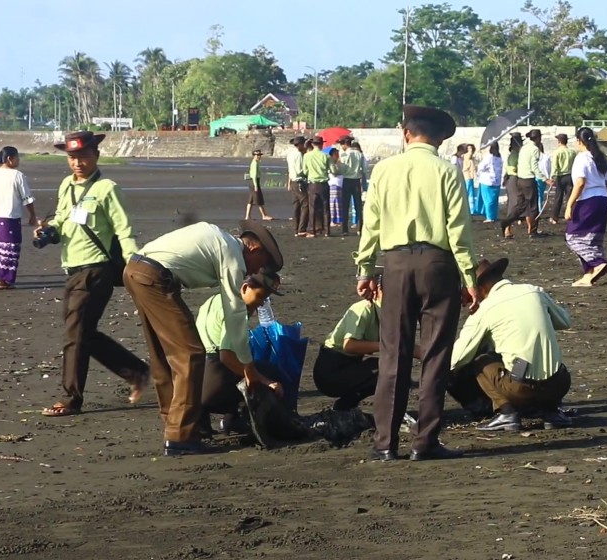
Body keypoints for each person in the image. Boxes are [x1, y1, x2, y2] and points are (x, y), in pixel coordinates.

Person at [354, 104, 479, 462]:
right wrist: (470, 277)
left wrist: (365, 270)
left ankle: (385, 443)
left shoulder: (383, 170)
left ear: (406, 133)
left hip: (395, 265)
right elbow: (459, 230)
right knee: (436, 355)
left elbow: (371, 225)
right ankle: (425, 441)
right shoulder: (448, 171)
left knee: (393, 353)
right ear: (439, 139)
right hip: (438, 265)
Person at [123, 219, 284, 455]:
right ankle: (180, 437)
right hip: (155, 277)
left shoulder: (219, 238)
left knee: (162, 354)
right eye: (262, 263)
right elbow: (235, 314)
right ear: (254, 247)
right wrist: (249, 369)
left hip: (135, 269)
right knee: (191, 353)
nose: (255, 271)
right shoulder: (232, 254)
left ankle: (174, 424)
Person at [37, 131, 150, 417]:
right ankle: (137, 371)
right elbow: (62, 218)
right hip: (72, 269)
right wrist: (49, 230)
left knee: (75, 335)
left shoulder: (107, 189)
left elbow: (124, 230)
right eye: (72, 157)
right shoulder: (67, 185)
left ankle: (71, 398)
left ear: (96, 156)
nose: (77, 163)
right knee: (81, 331)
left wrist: (135, 266)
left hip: (96, 270)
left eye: (83, 157)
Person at [449, 258, 572, 431]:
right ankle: (551, 412)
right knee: (542, 353)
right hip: (560, 384)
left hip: (520, 388)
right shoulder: (534, 291)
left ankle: (506, 413)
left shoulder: (486, 309)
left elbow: (457, 358)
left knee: (480, 361)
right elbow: (565, 321)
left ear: (479, 289)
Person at [195, 271, 306, 446]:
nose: (261, 302)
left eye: (266, 298)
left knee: (247, 364)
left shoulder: (214, 300)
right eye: (260, 296)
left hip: (193, 381)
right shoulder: (236, 311)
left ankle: (202, 426)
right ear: (245, 287)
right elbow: (226, 356)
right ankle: (251, 420)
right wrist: (265, 380)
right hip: (214, 384)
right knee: (270, 372)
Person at [313, 268, 409, 411]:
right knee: (388, 369)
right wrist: (388, 345)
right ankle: (346, 406)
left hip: (350, 365)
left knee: (395, 368)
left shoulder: (386, 313)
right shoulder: (364, 308)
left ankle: (346, 406)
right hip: (330, 371)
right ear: (377, 289)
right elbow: (349, 345)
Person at [0, 146, 37, 289]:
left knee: (0, 247)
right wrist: (32, 215)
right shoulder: (17, 175)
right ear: (10, 159)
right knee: (11, 249)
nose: (19, 160)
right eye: (17, 157)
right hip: (10, 218)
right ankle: (3, 281)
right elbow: (27, 198)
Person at [565, 127, 607, 288]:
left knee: (573, 236)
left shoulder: (582, 158)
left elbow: (580, 183)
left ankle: (597, 262)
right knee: (593, 237)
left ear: (579, 141)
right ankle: (589, 273)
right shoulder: (601, 158)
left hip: (588, 199)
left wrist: (569, 205)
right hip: (602, 198)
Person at [501, 129, 545, 238]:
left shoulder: (521, 151)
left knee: (521, 205)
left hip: (517, 179)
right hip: (517, 179)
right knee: (520, 205)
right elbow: (512, 168)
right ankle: (512, 228)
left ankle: (527, 228)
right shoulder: (515, 154)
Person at [338, 136, 367, 235]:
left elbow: (342, 170)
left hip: (347, 180)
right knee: (358, 206)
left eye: (342, 144)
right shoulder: (359, 154)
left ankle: (345, 229)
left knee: (345, 206)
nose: (341, 146)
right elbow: (364, 169)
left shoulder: (344, 155)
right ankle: (360, 227)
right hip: (356, 181)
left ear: (345, 144)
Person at [304, 136, 331, 237]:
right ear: (322, 144)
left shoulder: (307, 156)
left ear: (312, 144)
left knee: (312, 208)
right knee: (325, 208)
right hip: (323, 183)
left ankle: (312, 229)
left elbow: (305, 171)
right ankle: (327, 231)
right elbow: (332, 169)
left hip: (313, 183)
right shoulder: (326, 156)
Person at [549, 133, 577, 224]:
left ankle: (554, 217)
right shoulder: (572, 152)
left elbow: (555, 166)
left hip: (560, 176)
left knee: (558, 197)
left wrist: (552, 177)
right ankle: (571, 215)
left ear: (559, 141)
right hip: (570, 176)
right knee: (570, 197)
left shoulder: (557, 152)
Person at [286, 136, 309, 237]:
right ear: (300, 144)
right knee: (305, 204)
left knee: (296, 205)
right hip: (299, 181)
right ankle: (302, 229)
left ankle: (296, 228)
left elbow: (290, 170)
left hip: (293, 181)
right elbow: (300, 170)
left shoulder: (290, 154)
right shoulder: (299, 155)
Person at [476, 143, 503, 223]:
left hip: (487, 181)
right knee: (494, 200)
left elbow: (481, 167)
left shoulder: (489, 157)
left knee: (487, 200)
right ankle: (493, 215)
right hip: (497, 181)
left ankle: (489, 216)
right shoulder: (499, 157)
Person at [245, 150, 273, 221]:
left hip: (253, 182)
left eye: (259, 155)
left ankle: (247, 216)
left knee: (251, 200)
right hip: (254, 182)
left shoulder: (255, 162)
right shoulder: (254, 163)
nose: (259, 156)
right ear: (254, 156)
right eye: (257, 155)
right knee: (259, 199)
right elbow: (254, 176)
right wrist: (256, 185)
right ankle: (264, 215)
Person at [462, 144, 480, 215]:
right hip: (467, 176)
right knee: (468, 192)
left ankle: (471, 209)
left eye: (471, 148)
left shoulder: (471, 158)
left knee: (471, 193)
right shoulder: (467, 156)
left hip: (471, 177)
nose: (470, 150)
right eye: (469, 148)